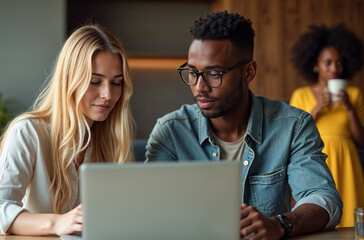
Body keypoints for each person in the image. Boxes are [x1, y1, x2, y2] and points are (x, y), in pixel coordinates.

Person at [145, 11, 342, 239]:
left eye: (214, 73)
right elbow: (153, 211)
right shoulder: (170, 132)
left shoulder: (293, 126)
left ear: (249, 72)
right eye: (192, 73)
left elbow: (324, 198)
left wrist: (280, 224)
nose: (200, 87)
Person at [0, 24, 134, 235]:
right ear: (70, 80)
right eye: (95, 81)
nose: (108, 94)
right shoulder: (28, 132)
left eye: (116, 83)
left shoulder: (114, 140)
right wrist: (57, 223)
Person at [290, 24, 364, 227]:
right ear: (316, 64)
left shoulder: (354, 95)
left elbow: (361, 141)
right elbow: (291, 135)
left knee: (352, 222)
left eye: (339, 63)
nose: (334, 68)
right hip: (315, 164)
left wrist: (349, 108)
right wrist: (317, 109)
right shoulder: (301, 95)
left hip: (348, 165)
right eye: (328, 63)